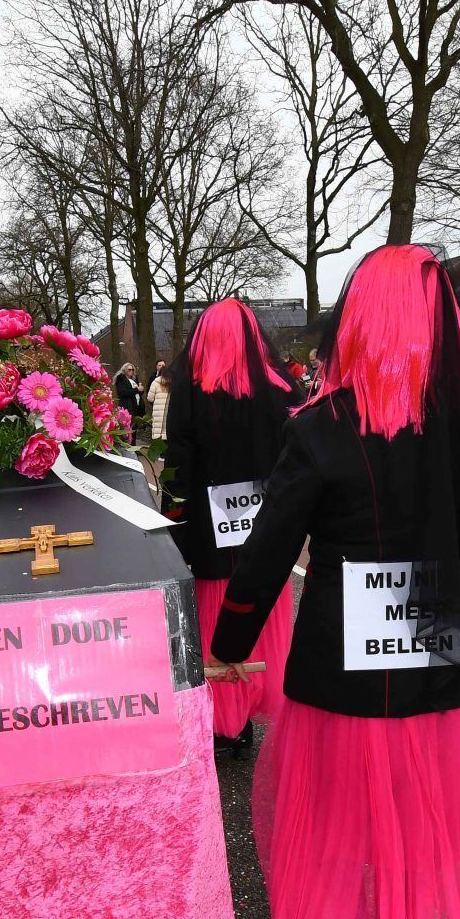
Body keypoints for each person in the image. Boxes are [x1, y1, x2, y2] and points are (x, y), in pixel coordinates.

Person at [205, 244, 460, 919]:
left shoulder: (324, 428)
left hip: (343, 653)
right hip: (439, 634)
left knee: (341, 811)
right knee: (417, 805)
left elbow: (270, 547)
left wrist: (231, 642)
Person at [162, 298, 299, 753]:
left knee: (214, 620)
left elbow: (178, 467)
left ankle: (225, 722)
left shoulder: (191, 392)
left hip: (209, 532)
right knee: (262, 617)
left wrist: (173, 526)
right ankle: (249, 711)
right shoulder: (283, 390)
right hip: (268, 527)